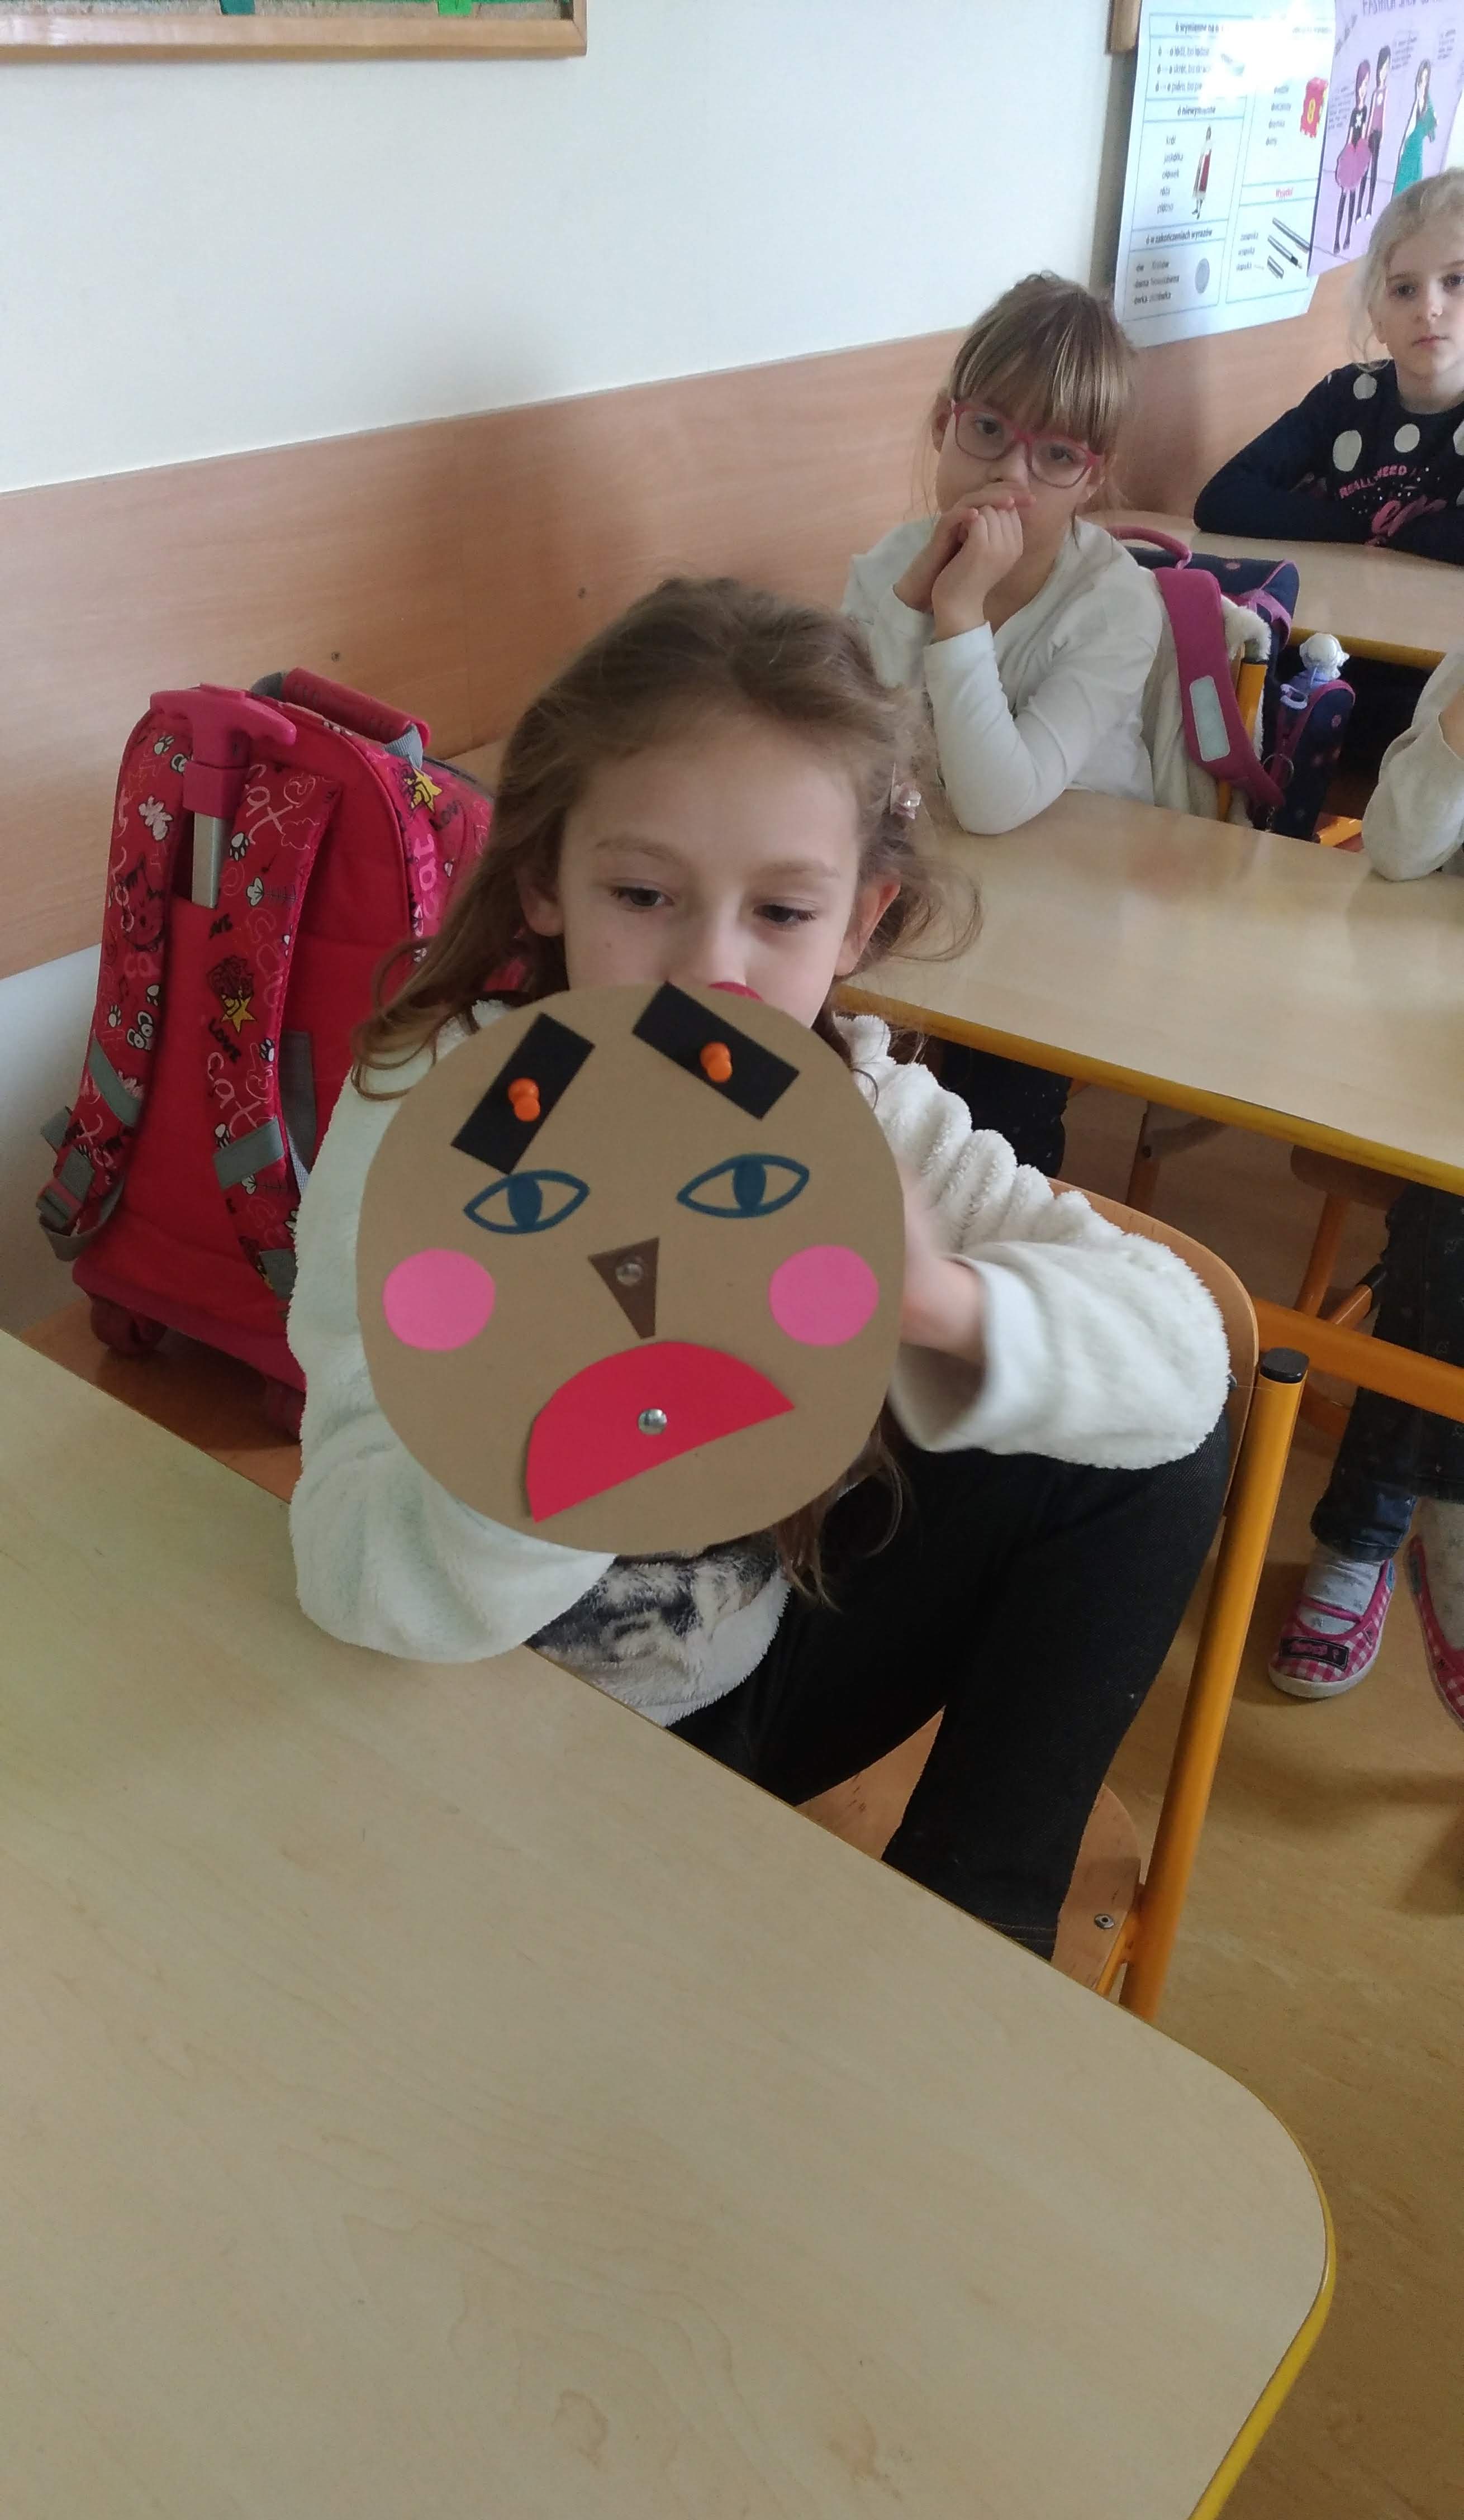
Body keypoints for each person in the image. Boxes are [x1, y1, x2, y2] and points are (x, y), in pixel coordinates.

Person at [288, 576, 1230, 1962]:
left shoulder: (851, 1102)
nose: (705, 972)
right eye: (642, 894)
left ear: (859, 921)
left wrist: (941, 1303)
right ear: (545, 880)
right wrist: (563, 1426)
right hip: (481, 1733)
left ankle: (976, 1925)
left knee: (1140, 1438)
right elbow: (354, 1573)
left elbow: (1183, 1360)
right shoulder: (448, 1122)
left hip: (747, 1681)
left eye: (781, 913)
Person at [843, 271, 1159, 1172]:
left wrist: (957, 612)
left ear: (1092, 477)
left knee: (1002, 1106)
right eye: (988, 431)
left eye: (1055, 456)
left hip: (1065, 906)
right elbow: (848, 756)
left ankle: (992, 1223)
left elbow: (992, 802)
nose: (1010, 475)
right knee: (840, 1035)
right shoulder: (889, 567)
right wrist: (911, 598)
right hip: (931, 874)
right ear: (943, 425)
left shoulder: (1115, 605)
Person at [1271, 649, 1464, 1728]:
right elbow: (1395, 852)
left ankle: (1382, 1526)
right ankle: (1421, 1527)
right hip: (1442, 1046)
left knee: (1441, 1260)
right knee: (1450, 1233)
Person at [1196, 172, 1464, 562]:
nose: (1428, 309)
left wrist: (1397, 535)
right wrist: (1360, 530)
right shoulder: (1344, 397)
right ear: (1377, 317)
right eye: (1404, 289)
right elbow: (1222, 500)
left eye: (1455, 280)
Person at [1333, 61, 1372, 256]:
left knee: (1353, 197)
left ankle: (1348, 235)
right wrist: (1345, 155)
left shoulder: (1364, 111)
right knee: (1344, 196)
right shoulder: (1355, 112)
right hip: (1350, 153)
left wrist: (1362, 156)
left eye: (1367, 84)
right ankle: (1337, 238)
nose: (1364, 89)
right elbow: (1351, 136)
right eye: (1362, 84)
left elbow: (1363, 134)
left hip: (1358, 154)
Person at [1393, 58, 1437, 200]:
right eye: (1421, 79)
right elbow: (1411, 124)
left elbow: (1433, 124)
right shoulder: (1418, 100)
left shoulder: (1428, 103)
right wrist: (1403, 146)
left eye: (1425, 79)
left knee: (1415, 181)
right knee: (1403, 181)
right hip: (1410, 144)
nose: (1423, 83)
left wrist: (1432, 124)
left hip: (1417, 146)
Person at [1365, 45, 1391, 221]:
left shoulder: (1385, 92)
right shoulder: (1375, 93)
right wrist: (1367, 136)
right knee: (1365, 170)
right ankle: (1362, 207)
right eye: (1382, 68)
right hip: (1371, 134)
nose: (1384, 72)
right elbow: (1372, 114)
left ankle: (1369, 207)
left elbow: (1383, 114)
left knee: (1374, 170)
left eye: (1387, 68)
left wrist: (1382, 135)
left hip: (1378, 134)